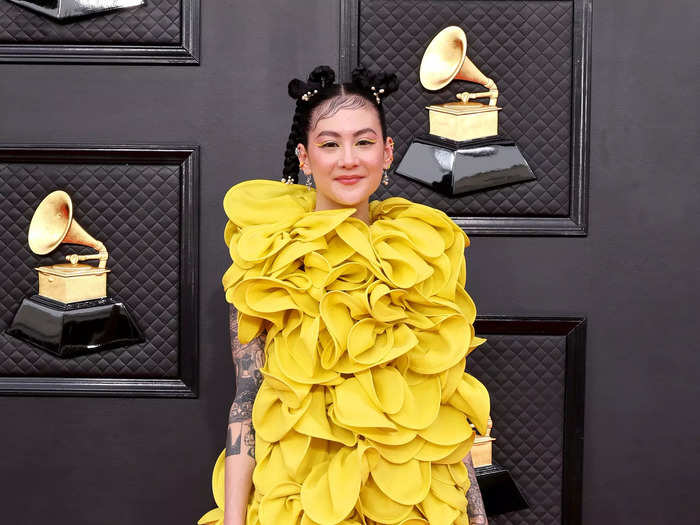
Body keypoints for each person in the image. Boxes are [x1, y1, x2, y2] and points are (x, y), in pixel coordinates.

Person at [199, 65, 490, 525]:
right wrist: (234, 520)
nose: (349, 159)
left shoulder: (426, 250)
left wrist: (476, 515)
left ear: (388, 152)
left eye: (364, 141)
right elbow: (247, 395)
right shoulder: (267, 255)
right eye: (330, 143)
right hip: (300, 495)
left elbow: (442, 402)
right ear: (304, 156)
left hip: (411, 496)